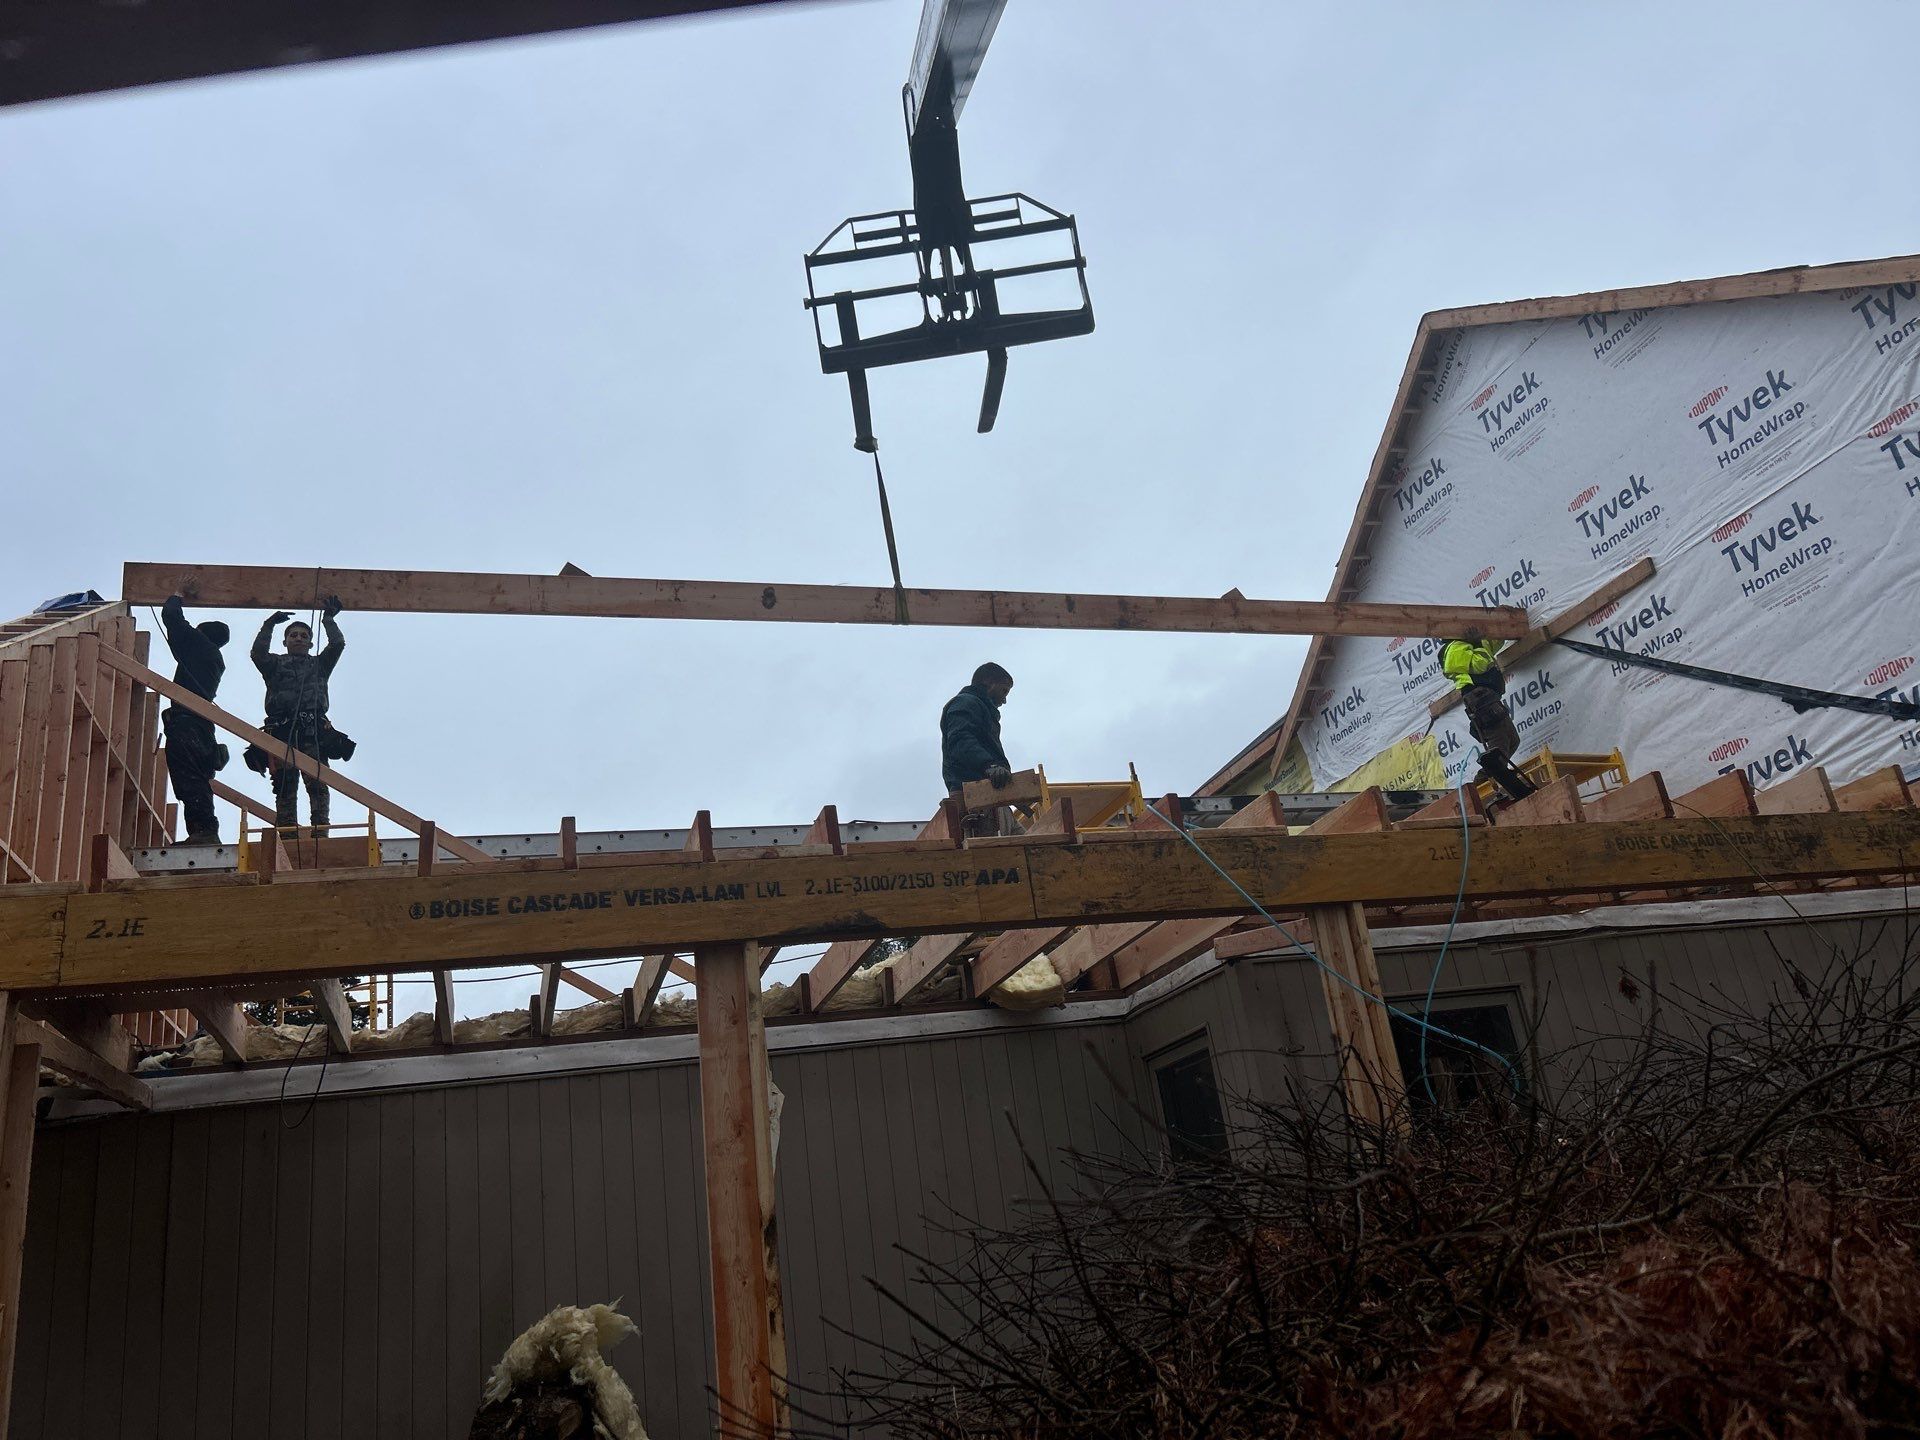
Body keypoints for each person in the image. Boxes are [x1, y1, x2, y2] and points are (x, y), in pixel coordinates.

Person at [249, 598, 352, 837]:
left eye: (303, 636)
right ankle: (286, 834)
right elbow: (258, 653)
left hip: (311, 731)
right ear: (285, 641)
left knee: (317, 783)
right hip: (282, 731)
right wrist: (269, 624)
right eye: (293, 635)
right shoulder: (275, 664)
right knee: (285, 785)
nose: (298, 638)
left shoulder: (319, 664)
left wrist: (328, 620)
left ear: (310, 642)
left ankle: (320, 833)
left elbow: (337, 644)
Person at [157, 594, 231, 845]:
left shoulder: (201, 648)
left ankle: (205, 831)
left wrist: (177, 595)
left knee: (189, 778)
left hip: (188, 725)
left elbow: (172, 619)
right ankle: (203, 831)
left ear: (201, 634)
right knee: (194, 778)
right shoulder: (211, 658)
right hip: (197, 726)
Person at [1440, 628, 1535, 800]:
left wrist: (1499, 628)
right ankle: (1477, 789)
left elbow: (1493, 643)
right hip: (1479, 698)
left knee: (1513, 740)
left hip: (1489, 697)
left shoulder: (1471, 644)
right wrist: (1478, 642)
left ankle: (1489, 778)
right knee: (1499, 746)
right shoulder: (1454, 648)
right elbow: (1480, 664)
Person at [941, 662, 1015, 834]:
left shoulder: (980, 708)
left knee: (1031, 848)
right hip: (977, 800)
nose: (1004, 700)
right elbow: (960, 741)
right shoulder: (966, 703)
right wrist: (990, 766)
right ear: (988, 683)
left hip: (993, 797)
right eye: (1004, 691)